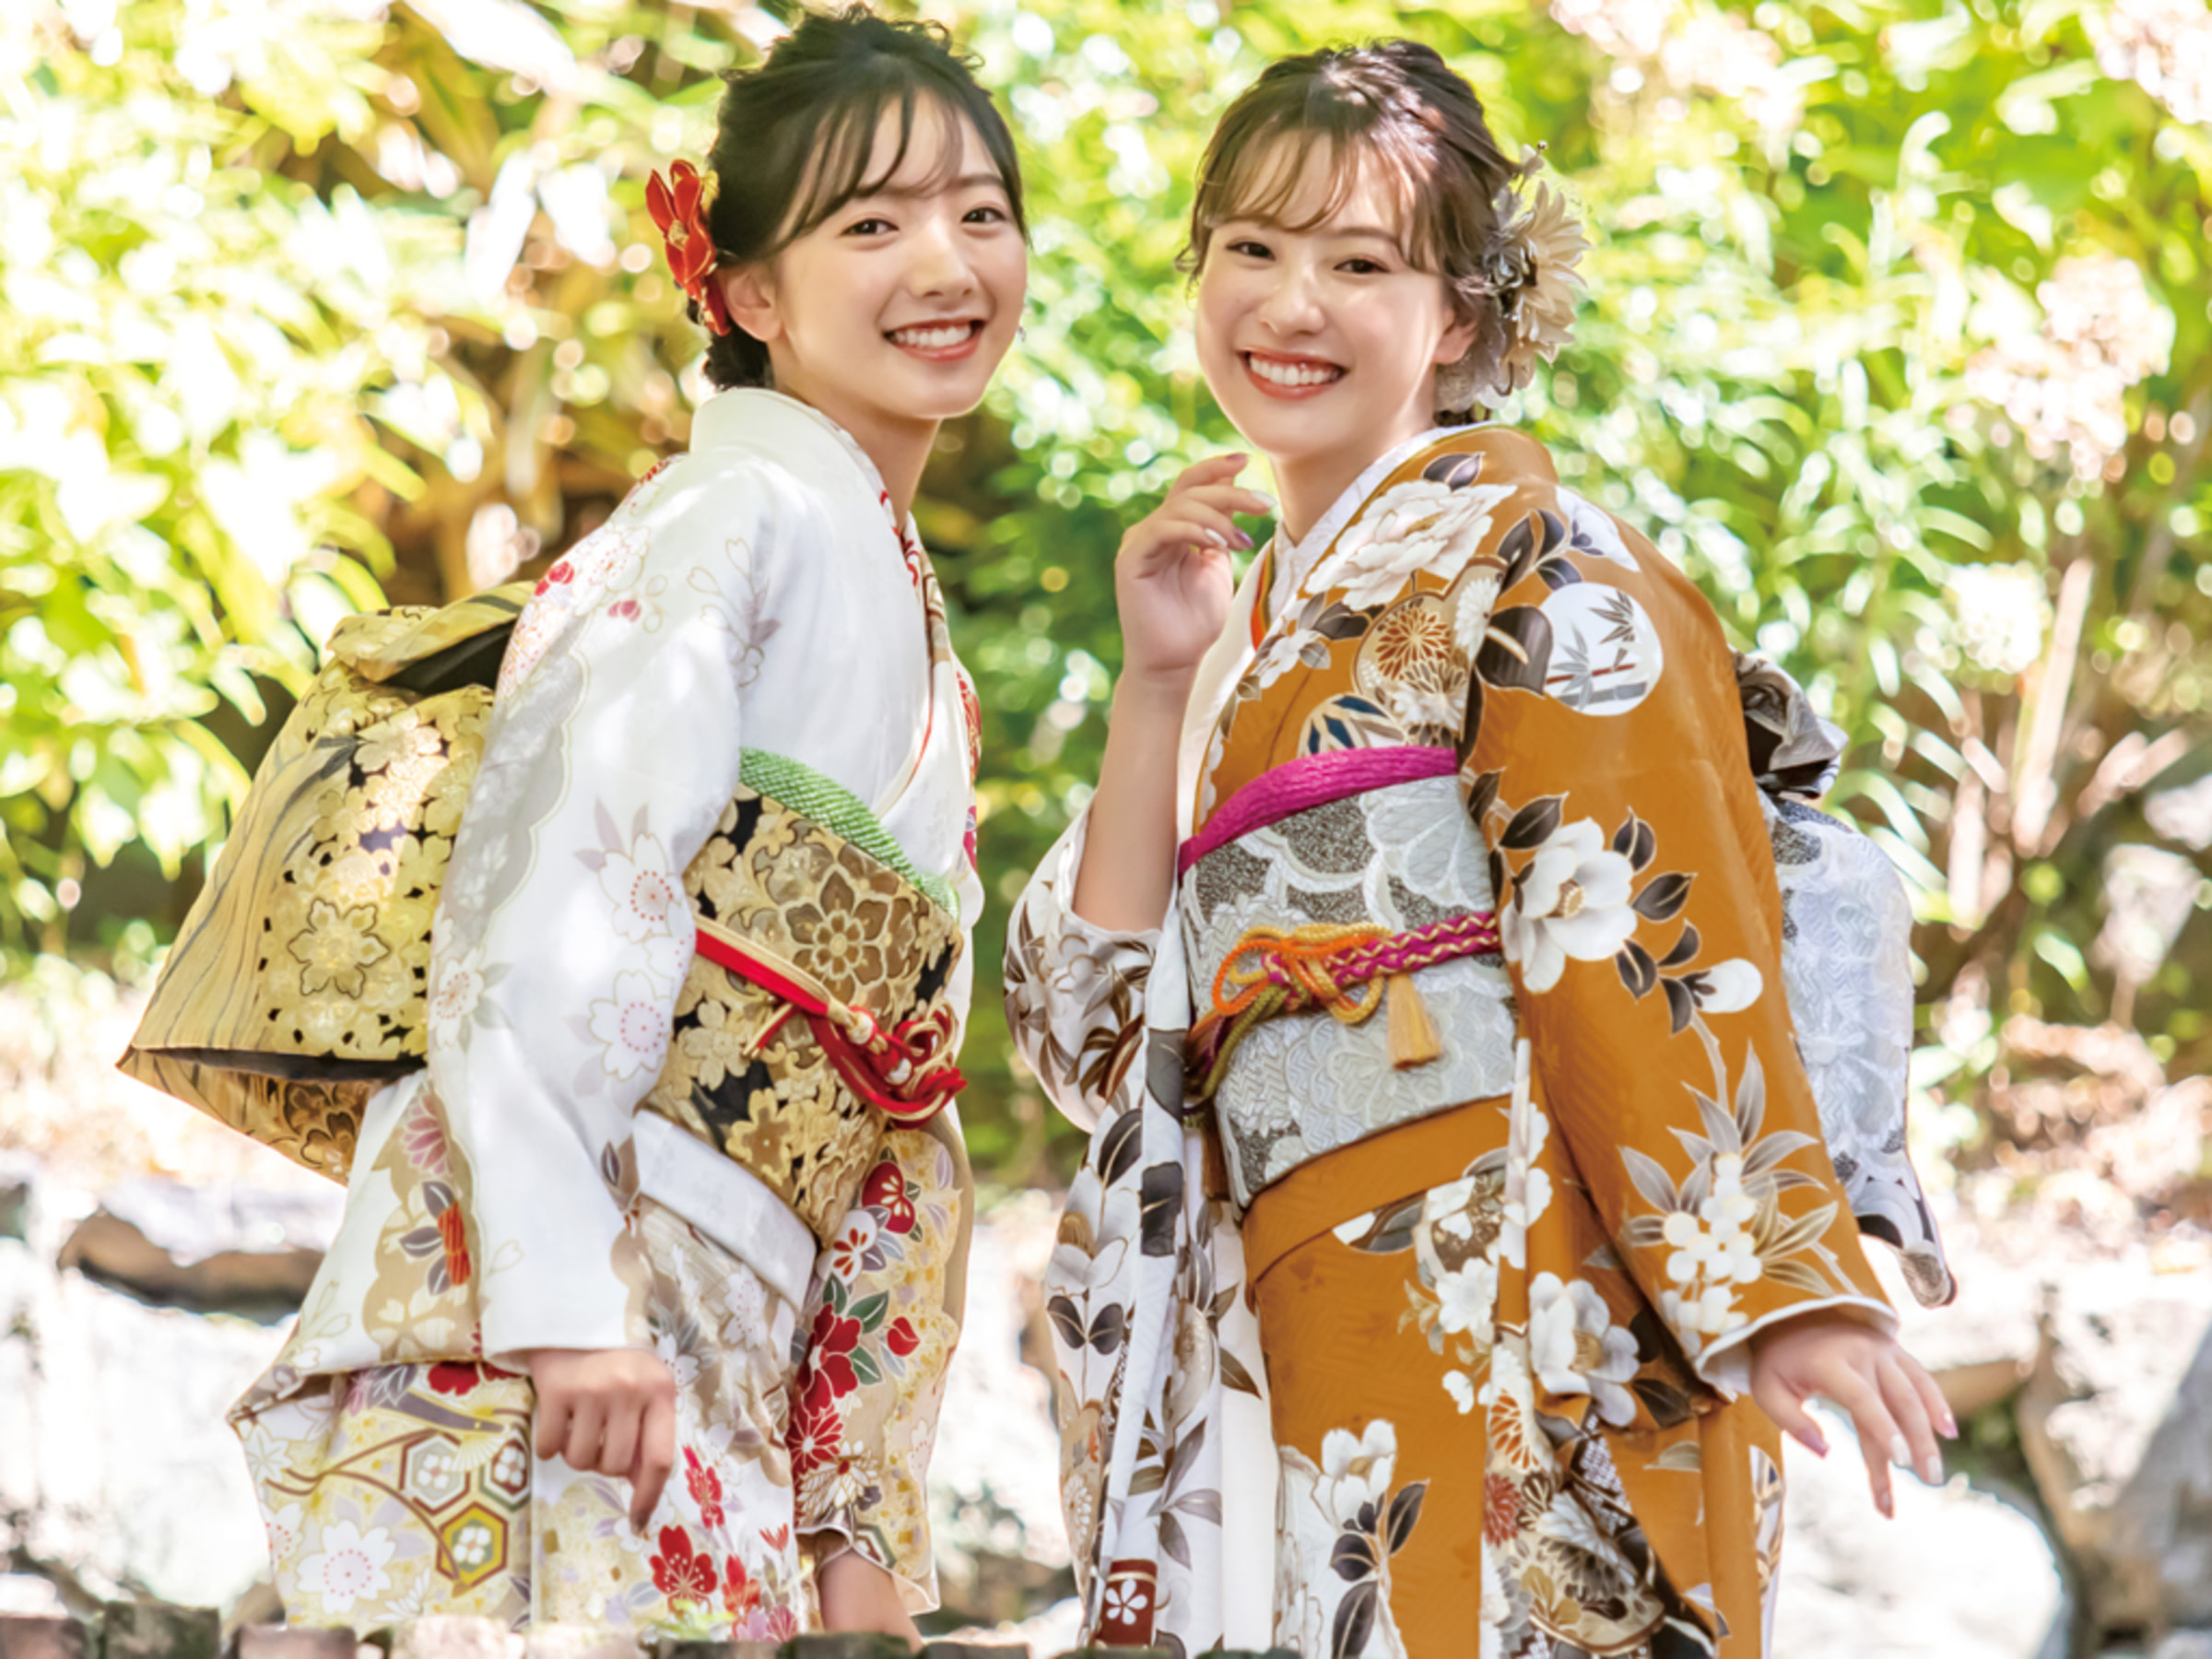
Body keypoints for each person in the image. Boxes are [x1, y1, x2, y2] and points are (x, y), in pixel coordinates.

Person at [1005, 41, 1953, 1658]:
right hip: (1282, 1292)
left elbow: (1644, 903)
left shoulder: (1539, 558)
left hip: (1500, 1265)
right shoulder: (1237, 635)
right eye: (1251, 248)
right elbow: (1098, 1034)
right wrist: (1157, 685)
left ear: (1459, 318)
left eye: (1357, 263)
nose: (1289, 303)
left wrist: (1777, 1284)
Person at [206, 8, 1024, 1634]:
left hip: (733, 1290)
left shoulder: (893, 601)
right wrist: (565, 1292)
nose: (945, 262)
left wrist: (858, 1521)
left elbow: (896, 1114)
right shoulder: (730, 510)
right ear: (749, 294)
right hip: (580, 1260)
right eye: (874, 224)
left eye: (980, 212)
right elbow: (562, 876)